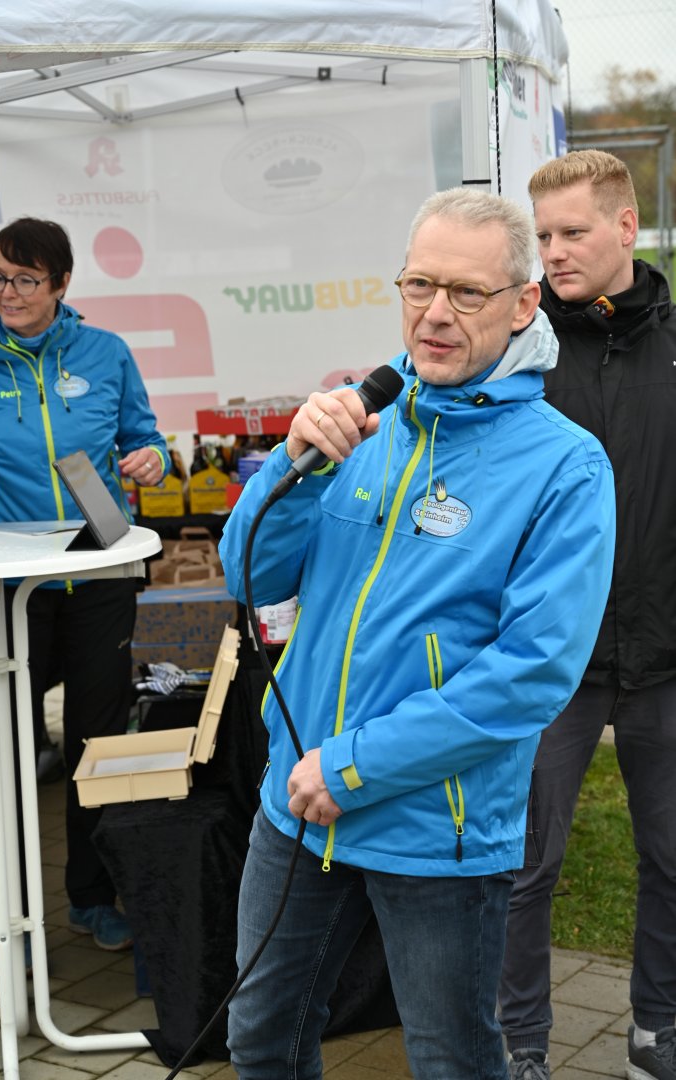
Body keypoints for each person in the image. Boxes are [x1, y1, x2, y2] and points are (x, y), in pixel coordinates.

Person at [218, 186, 616, 1080]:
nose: (435, 313)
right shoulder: (360, 419)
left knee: (450, 1060)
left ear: (523, 304)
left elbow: (532, 671)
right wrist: (294, 465)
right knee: (260, 1040)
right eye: (419, 284)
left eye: (467, 293)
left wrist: (353, 766)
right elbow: (248, 576)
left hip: (437, 828)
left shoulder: (565, 464)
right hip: (299, 807)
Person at [498, 150, 676, 1080]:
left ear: (625, 227)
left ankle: (658, 1031)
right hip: (548, 663)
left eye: (573, 232)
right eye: (543, 236)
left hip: (666, 658)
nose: (554, 252)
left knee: (672, 859)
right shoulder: (518, 350)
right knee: (523, 866)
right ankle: (520, 1042)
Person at [0, 217, 168, 953]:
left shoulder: (105, 352)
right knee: (5, 748)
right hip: (6, 590)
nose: (8, 292)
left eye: (26, 279)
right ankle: (5, 908)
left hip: (98, 574)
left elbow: (145, 439)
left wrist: (151, 460)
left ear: (62, 283)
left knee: (97, 743)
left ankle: (92, 896)